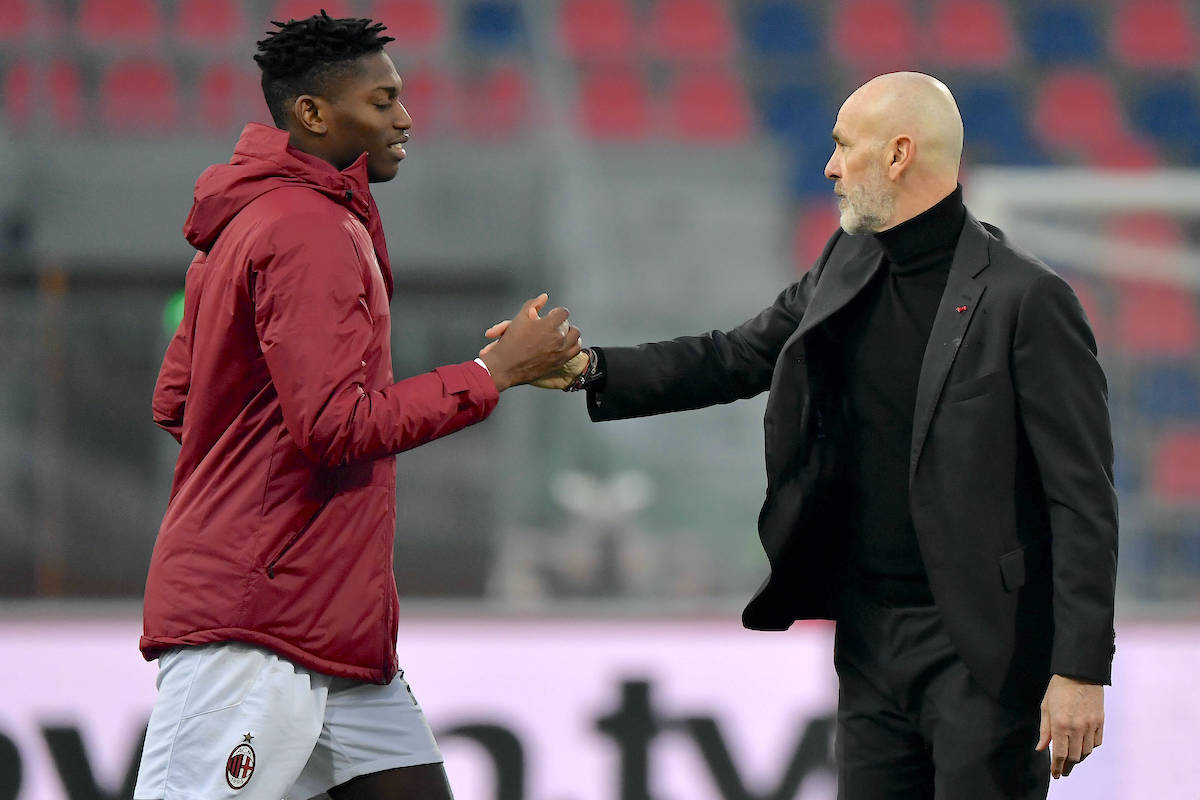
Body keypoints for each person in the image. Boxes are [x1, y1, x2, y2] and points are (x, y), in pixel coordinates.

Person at [499, 72, 1118, 798]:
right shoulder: (845, 262)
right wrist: (588, 368)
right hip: (867, 637)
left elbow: (1082, 499)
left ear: (897, 155)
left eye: (842, 146)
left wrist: (1079, 669)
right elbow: (734, 356)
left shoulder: (1029, 299)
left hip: (983, 645)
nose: (828, 166)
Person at [135, 13, 580, 800]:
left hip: (322, 622)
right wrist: (490, 372)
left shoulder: (253, 219)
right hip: (258, 623)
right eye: (382, 101)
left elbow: (180, 401)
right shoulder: (307, 227)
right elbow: (336, 424)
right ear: (312, 113)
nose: (405, 118)